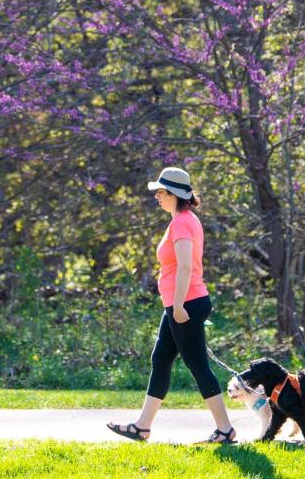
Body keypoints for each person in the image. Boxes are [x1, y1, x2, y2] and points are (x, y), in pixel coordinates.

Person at [107, 167, 236, 444]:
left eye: (161, 192)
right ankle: (142, 427)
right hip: (181, 304)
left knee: (197, 365)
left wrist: (178, 306)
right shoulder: (185, 219)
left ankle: (225, 430)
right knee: (161, 359)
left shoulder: (181, 223)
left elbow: (186, 267)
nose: (157, 196)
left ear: (175, 194)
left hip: (186, 304)